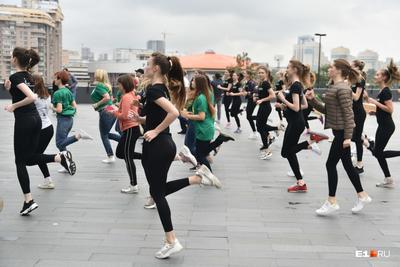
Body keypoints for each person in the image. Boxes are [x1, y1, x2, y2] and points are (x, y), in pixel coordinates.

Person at [132, 53, 223, 259]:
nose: (145, 67)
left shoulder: (156, 89)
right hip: (158, 145)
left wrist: (154, 131)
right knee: (158, 192)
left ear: (156, 69)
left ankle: (171, 240)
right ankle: (197, 179)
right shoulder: (160, 88)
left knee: (158, 194)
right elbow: (158, 115)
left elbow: (173, 113)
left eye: (148, 64)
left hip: (158, 144)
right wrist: (141, 118)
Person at [4, 47, 75, 215]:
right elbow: (24, 94)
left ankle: (28, 200)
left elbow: (32, 97)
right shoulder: (28, 76)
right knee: (29, 159)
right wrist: (10, 89)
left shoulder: (16, 76)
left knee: (20, 162)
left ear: (15, 59)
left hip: (25, 121)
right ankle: (59, 157)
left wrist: (13, 106)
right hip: (36, 120)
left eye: (11, 56)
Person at [306, 59, 371, 215]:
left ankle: (332, 201)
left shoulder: (342, 89)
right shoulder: (335, 87)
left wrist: (348, 137)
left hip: (342, 133)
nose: (329, 69)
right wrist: (312, 99)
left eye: (331, 67)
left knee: (330, 165)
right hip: (339, 132)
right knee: (348, 165)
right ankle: (362, 195)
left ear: (339, 71)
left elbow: (349, 115)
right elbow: (327, 110)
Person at [276, 60, 325, 193]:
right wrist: (284, 106)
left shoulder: (295, 86)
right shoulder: (298, 85)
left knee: (286, 152)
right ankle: (301, 183)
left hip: (296, 123)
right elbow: (304, 105)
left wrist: (282, 98)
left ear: (295, 70)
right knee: (289, 152)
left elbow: (297, 107)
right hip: (296, 122)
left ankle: (310, 142)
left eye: (289, 67)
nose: (287, 69)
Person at [181, 74, 235, 171]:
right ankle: (220, 139)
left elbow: (202, 116)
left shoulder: (201, 98)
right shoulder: (203, 95)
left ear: (198, 84)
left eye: (193, 81)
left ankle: (209, 174)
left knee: (200, 154)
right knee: (202, 152)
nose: (191, 82)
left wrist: (187, 115)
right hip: (204, 128)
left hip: (203, 129)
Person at [363, 59, 400, 188]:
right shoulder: (382, 91)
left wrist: (375, 103)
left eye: (378, 75)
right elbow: (383, 110)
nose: (375, 76)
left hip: (387, 127)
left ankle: (388, 179)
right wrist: (375, 112)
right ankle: (388, 179)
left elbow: (390, 110)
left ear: (384, 77)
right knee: (377, 153)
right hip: (383, 126)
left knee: (378, 153)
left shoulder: (386, 91)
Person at [107, 74, 142, 194]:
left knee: (127, 157)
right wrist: (118, 110)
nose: (118, 86)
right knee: (121, 153)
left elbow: (125, 116)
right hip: (131, 129)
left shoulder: (127, 96)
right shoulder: (132, 94)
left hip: (130, 128)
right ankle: (146, 156)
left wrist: (114, 112)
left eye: (119, 84)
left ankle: (133, 185)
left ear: (124, 85)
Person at [52, 70, 93, 172]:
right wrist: (68, 110)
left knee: (59, 143)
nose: (54, 80)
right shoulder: (68, 91)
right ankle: (66, 164)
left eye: (55, 78)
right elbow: (75, 106)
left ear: (59, 80)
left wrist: (50, 107)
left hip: (62, 120)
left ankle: (78, 136)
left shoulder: (57, 93)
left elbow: (59, 110)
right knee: (63, 144)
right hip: (69, 120)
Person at [91, 69, 121, 163]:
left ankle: (110, 155)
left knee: (104, 135)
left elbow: (107, 98)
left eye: (95, 73)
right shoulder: (106, 86)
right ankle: (125, 141)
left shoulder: (99, 86)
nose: (94, 75)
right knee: (106, 134)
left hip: (106, 111)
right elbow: (110, 98)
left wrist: (97, 104)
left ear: (98, 76)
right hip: (111, 110)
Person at [32, 74, 56, 189]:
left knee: (35, 156)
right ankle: (48, 180)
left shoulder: (34, 97)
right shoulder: (47, 95)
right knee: (38, 155)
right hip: (48, 127)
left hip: (41, 129)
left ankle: (59, 157)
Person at [254, 66, 280, 160]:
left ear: (266, 73)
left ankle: (267, 148)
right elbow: (262, 94)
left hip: (265, 107)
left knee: (260, 127)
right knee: (260, 127)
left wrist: (261, 100)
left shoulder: (265, 83)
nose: (260, 74)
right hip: (263, 107)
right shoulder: (261, 83)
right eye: (259, 72)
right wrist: (257, 98)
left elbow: (272, 95)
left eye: (262, 73)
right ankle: (267, 144)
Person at [350, 60, 367, 174]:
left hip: (359, 113)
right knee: (352, 137)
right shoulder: (353, 79)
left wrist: (346, 88)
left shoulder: (360, 79)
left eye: (351, 65)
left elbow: (356, 97)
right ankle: (365, 139)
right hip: (353, 112)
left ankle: (360, 165)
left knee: (355, 139)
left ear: (356, 67)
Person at [243, 70, 257, 139]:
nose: (244, 74)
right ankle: (254, 132)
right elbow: (246, 91)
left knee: (248, 116)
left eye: (245, 73)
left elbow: (254, 92)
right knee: (248, 116)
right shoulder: (247, 82)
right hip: (249, 100)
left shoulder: (251, 82)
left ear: (248, 74)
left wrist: (247, 93)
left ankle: (255, 132)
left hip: (252, 101)